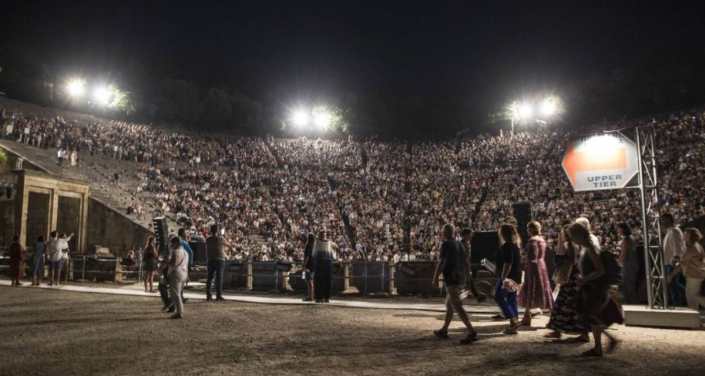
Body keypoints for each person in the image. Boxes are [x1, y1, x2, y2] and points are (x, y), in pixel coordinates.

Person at [568, 223, 623, 357]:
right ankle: (600, 345)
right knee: (592, 317)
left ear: (579, 235)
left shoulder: (590, 249)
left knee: (592, 316)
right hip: (591, 287)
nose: (572, 239)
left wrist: (584, 279)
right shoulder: (585, 248)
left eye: (573, 236)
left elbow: (600, 270)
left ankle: (606, 342)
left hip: (595, 288)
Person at [433, 224, 478, 344]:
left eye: (443, 231)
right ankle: (444, 329)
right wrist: (468, 278)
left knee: (457, 305)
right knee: (450, 305)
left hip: (451, 278)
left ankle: (471, 331)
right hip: (460, 277)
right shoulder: (460, 244)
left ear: (446, 232)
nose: (442, 233)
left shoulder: (446, 244)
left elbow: (442, 261)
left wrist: (436, 277)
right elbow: (466, 262)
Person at [544, 224, 590, 342]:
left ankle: (558, 331)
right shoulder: (578, 245)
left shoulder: (569, 245)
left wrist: (562, 278)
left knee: (563, 304)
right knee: (573, 305)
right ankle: (580, 332)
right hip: (576, 276)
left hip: (570, 277)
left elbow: (569, 263)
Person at [518, 221, 554, 327]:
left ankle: (527, 318)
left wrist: (525, 262)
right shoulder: (542, 240)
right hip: (542, 266)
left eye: (528, 228)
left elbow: (532, 257)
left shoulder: (532, 240)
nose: (527, 230)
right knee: (544, 290)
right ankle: (527, 317)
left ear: (531, 229)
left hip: (534, 268)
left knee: (531, 290)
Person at [494, 223, 522, 335]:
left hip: (508, 277)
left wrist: (503, 278)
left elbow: (508, 263)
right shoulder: (515, 245)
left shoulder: (506, 246)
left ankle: (512, 319)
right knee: (512, 298)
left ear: (503, 234)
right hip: (516, 276)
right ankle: (514, 323)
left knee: (498, 296)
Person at [671, 228, 705, 311]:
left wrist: (670, 276)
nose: (683, 235)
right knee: (694, 297)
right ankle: (695, 319)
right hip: (697, 275)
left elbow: (681, 264)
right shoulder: (696, 246)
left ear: (691, 237)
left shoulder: (692, 249)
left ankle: (694, 319)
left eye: (686, 234)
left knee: (693, 298)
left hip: (694, 276)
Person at [662, 213, 686, 306]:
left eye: (662, 221)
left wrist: (674, 264)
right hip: (669, 263)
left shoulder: (674, 231)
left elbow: (677, 249)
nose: (661, 223)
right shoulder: (670, 231)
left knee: (674, 286)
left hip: (671, 264)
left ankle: (679, 306)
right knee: (673, 286)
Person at [312, 228, 338, 303]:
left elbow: (336, 247)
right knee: (319, 281)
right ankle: (319, 297)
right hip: (320, 263)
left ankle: (326, 297)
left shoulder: (329, 242)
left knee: (327, 280)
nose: (323, 235)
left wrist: (334, 254)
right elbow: (314, 254)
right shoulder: (317, 242)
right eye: (322, 233)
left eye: (324, 233)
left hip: (327, 263)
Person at [460, 228, 485, 302]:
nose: (471, 236)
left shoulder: (467, 244)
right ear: (465, 235)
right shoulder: (462, 244)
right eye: (470, 234)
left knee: (469, 282)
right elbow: (464, 257)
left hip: (466, 266)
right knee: (465, 283)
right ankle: (457, 298)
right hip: (463, 267)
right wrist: (467, 267)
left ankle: (477, 296)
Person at [618, 223, 641, 304]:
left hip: (628, 265)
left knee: (627, 286)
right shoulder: (631, 238)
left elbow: (623, 254)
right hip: (633, 264)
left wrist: (619, 263)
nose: (618, 231)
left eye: (619, 229)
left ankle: (631, 303)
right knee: (631, 285)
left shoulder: (626, 240)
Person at [166, 236, 189, 319]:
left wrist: (166, 262)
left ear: (175, 243)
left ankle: (179, 312)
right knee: (177, 293)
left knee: (176, 294)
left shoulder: (176, 251)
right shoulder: (185, 252)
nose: (171, 245)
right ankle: (178, 311)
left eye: (172, 243)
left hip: (176, 273)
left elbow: (173, 263)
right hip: (184, 273)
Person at [206, 224, 227, 301]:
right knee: (219, 278)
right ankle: (219, 296)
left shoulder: (208, 239)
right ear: (217, 230)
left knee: (209, 278)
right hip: (219, 260)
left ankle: (208, 295)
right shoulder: (220, 238)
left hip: (210, 259)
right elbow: (228, 244)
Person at [302, 233, 316, 302]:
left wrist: (304, 265)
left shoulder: (308, 246)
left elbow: (307, 256)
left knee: (309, 281)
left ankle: (310, 296)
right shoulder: (314, 246)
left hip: (308, 265)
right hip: (313, 265)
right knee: (310, 281)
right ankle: (311, 296)